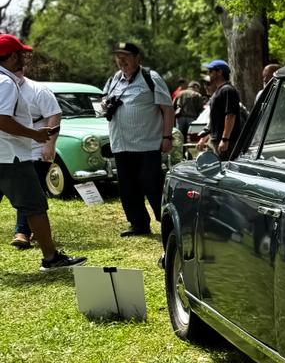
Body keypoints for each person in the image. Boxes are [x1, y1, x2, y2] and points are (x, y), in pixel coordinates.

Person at [0, 34, 86, 269]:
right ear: (11, 56)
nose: (23, 58)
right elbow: (3, 120)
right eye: (20, 54)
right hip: (11, 157)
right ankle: (51, 258)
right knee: (35, 206)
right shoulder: (6, 83)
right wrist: (35, 135)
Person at [103, 41, 175, 237]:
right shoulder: (114, 79)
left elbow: (167, 108)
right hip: (121, 144)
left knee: (152, 184)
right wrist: (105, 105)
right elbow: (103, 101)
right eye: (118, 56)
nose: (121, 60)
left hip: (147, 144)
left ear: (137, 58)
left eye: (126, 56)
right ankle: (138, 224)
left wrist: (167, 136)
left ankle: (169, 222)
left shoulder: (150, 77)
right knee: (128, 188)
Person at [10, 58, 61, 249]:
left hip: (35, 150)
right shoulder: (5, 88)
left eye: (18, 69)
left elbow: (54, 116)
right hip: (12, 151)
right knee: (30, 193)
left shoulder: (38, 90)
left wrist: (49, 145)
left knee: (28, 191)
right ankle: (36, 232)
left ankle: (22, 232)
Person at [199, 59, 242, 159]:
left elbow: (230, 116)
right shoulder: (218, 91)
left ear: (220, 72)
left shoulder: (227, 90)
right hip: (215, 140)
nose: (208, 74)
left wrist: (225, 139)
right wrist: (206, 137)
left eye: (210, 71)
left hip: (226, 142)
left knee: (225, 170)